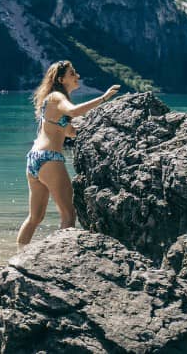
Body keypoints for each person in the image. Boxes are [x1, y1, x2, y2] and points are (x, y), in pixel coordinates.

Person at [17, 61, 119, 247]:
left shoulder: (51, 101)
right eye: (73, 73)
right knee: (69, 214)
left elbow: (69, 131)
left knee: (35, 217)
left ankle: (18, 258)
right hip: (50, 159)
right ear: (61, 79)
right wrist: (104, 98)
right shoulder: (57, 97)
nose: (77, 76)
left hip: (34, 159)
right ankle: (62, 256)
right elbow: (73, 111)